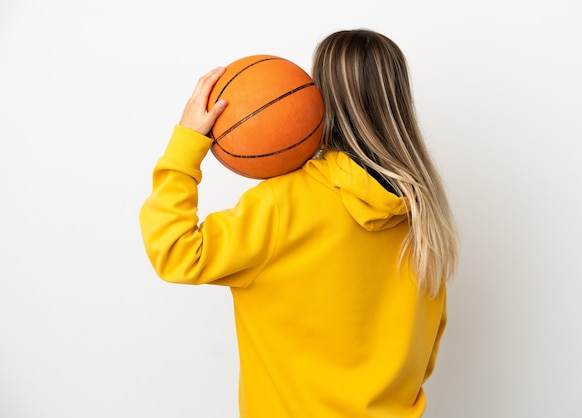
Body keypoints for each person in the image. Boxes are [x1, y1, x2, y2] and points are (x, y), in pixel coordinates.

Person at [139, 29, 458, 418]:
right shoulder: (425, 217)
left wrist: (186, 146)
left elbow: (176, 253)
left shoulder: (282, 204)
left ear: (318, 95)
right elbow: (425, 352)